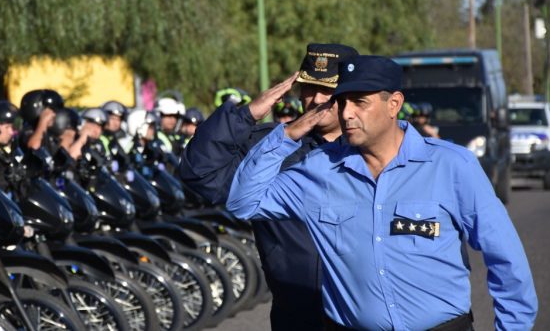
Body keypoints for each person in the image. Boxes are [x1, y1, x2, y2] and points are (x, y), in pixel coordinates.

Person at [227, 55, 538, 330]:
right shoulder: (318, 170)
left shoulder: (451, 166)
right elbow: (243, 202)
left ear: (394, 104)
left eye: (360, 102)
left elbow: (505, 257)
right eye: (342, 101)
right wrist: (287, 136)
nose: (346, 113)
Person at [178, 43, 359, 330]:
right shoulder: (270, 147)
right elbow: (199, 174)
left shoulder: (376, 150)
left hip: (362, 315)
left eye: (328, 90)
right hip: (296, 314)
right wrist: (246, 115)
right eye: (309, 88)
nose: (316, 99)